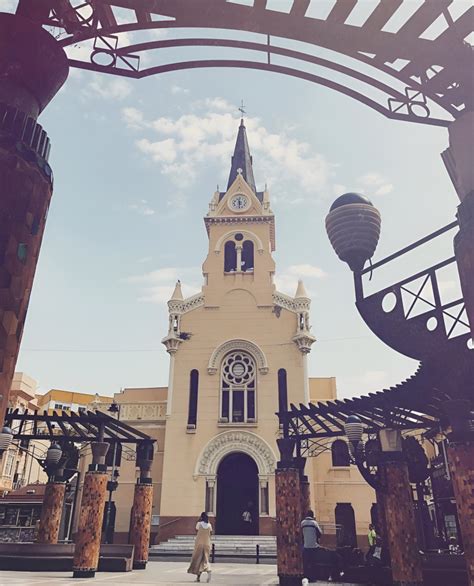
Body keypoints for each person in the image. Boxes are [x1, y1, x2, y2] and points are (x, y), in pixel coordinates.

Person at [187, 512, 212, 583]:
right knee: (205, 559)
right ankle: (203, 574)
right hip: (207, 544)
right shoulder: (209, 525)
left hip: (199, 544)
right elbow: (210, 533)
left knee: (198, 560)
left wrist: (199, 520)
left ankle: (204, 573)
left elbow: (196, 530)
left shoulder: (199, 524)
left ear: (201, 517)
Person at [301, 510, 322, 581]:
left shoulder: (302, 523)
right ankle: (313, 577)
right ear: (312, 515)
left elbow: (301, 534)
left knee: (306, 563)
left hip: (306, 546)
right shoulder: (314, 523)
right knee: (313, 563)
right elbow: (320, 533)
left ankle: (306, 576)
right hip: (313, 546)